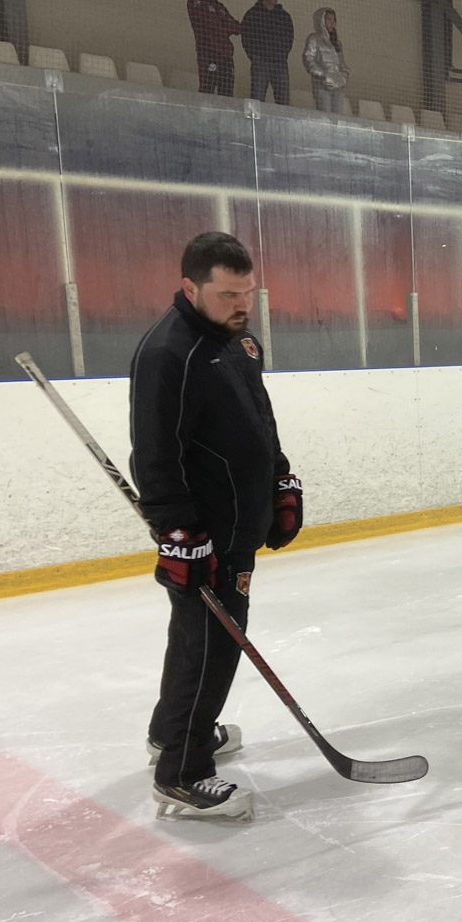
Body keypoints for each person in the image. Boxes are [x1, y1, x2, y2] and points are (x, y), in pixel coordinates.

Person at [129, 232, 304, 820]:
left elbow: (262, 421)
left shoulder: (241, 342)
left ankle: (172, 732)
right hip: (207, 538)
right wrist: (179, 534)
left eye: (248, 292)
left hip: (238, 525)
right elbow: (153, 457)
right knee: (211, 648)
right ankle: (182, 770)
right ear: (190, 288)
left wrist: (279, 482)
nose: (242, 304)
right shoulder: (167, 355)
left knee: (197, 642)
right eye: (228, 294)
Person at [187, 0, 241, 96]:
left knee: (227, 94)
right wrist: (223, 25)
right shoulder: (195, 0)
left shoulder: (220, 7)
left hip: (226, 56)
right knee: (207, 90)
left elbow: (235, 26)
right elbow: (206, 26)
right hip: (208, 53)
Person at [241, 0, 295, 105]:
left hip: (280, 62)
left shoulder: (284, 17)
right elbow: (246, 37)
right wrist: (255, 55)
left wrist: (282, 55)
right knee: (257, 99)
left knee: (284, 101)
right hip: (261, 61)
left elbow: (289, 38)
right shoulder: (252, 14)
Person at [302, 6, 349, 113]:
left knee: (337, 117)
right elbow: (308, 60)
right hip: (322, 86)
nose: (332, 23)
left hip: (338, 86)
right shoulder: (314, 39)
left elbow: (342, 63)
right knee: (325, 115)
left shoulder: (337, 43)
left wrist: (345, 73)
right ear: (321, 20)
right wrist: (323, 75)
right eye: (329, 19)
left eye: (333, 20)